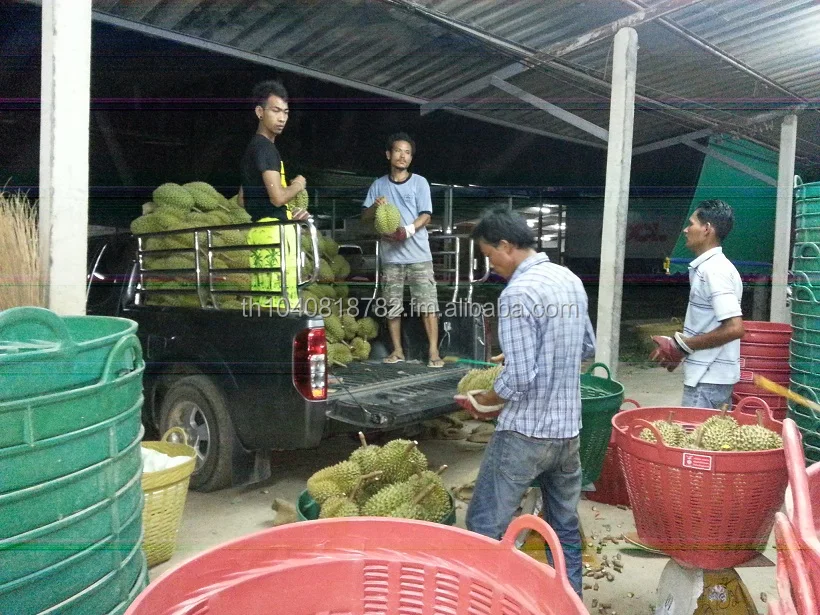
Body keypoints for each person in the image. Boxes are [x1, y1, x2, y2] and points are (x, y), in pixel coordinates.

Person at [465, 205, 596, 598]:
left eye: (489, 255)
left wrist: (486, 399)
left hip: (525, 433)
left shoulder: (517, 293)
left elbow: (519, 379)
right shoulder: (568, 279)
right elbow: (585, 346)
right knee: (563, 527)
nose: (492, 266)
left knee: (485, 526)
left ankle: (482, 603)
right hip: (567, 431)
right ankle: (569, 602)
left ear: (506, 246)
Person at [649, 199, 745, 409]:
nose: (685, 230)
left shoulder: (714, 271)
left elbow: (734, 328)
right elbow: (712, 324)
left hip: (707, 382)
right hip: (712, 379)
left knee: (694, 441)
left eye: (691, 224)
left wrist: (682, 346)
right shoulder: (713, 268)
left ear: (707, 229)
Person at [361, 132, 443, 368]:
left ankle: (434, 352)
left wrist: (406, 231)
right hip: (391, 257)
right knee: (392, 304)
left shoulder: (420, 182)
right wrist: (375, 207)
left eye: (407, 152)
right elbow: (365, 217)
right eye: (398, 151)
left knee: (427, 304)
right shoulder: (378, 185)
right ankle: (397, 351)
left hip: (418, 254)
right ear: (389, 154)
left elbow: (426, 215)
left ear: (410, 157)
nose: (403, 156)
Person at [239, 80, 308, 310]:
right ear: (260, 112)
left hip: (259, 233)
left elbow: (242, 199)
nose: (282, 118)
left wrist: (289, 214)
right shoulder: (265, 148)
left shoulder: (252, 148)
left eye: (286, 112)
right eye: (275, 111)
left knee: (265, 303)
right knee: (282, 306)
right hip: (274, 237)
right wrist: (298, 184)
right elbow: (277, 198)